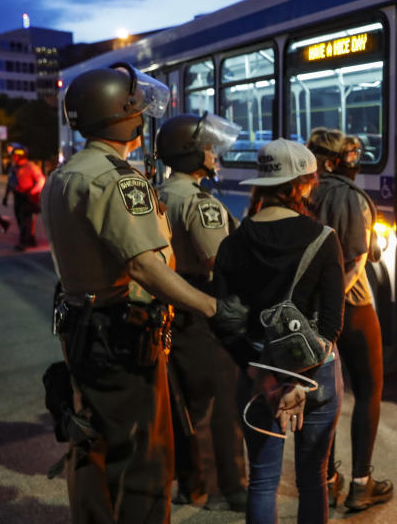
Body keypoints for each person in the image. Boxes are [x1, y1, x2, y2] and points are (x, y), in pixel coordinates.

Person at [42, 64, 244, 524]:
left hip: (80, 327)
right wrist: (211, 306)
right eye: (135, 106)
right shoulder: (117, 179)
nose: (142, 115)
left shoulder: (65, 173)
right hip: (120, 335)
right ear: (121, 116)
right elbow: (145, 266)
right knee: (145, 460)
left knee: (90, 444)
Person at [212, 138, 345, 524]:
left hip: (257, 370)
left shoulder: (233, 242)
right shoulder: (324, 238)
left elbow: (225, 321)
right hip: (316, 376)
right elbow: (332, 324)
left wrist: (262, 376)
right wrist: (299, 382)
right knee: (312, 480)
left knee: (263, 480)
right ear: (303, 184)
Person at [155, 113, 247, 511]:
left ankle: (191, 481)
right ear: (192, 153)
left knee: (185, 402)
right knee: (220, 404)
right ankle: (224, 486)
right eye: (208, 147)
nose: (214, 154)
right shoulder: (199, 202)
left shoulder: (160, 192)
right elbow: (219, 260)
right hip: (203, 306)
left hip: (172, 303)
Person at [307, 128, 393, 512]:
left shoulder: (301, 191)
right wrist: (334, 301)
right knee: (368, 390)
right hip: (352, 306)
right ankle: (361, 484)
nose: (355, 163)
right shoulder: (352, 197)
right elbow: (360, 259)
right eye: (351, 156)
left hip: (308, 308)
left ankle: (325, 482)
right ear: (332, 161)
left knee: (321, 396)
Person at [3, 144, 44, 250]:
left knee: (26, 220)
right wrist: (6, 196)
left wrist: (32, 191)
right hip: (18, 196)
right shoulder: (13, 168)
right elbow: (10, 183)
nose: (14, 157)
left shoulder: (31, 166)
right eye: (14, 155)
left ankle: (23, 242)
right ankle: (30, 239)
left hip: (28, 197)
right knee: (19, 219)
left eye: (16, 155)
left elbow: (41, 180)